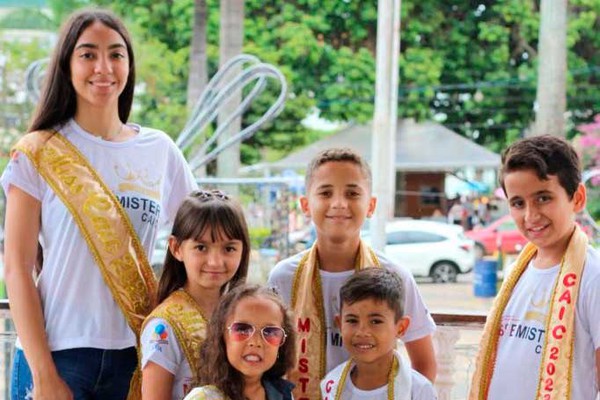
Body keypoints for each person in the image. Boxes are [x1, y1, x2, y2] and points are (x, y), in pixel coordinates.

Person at [1, 9, 197, 400]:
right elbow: (17, 267)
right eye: (88, 54)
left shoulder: (159, 150)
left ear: (129, 65)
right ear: (67, 66)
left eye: (116, 54)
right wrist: (43, 375)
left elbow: (200, 240)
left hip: (138, 350)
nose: (103, 67)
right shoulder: (38, 152)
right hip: (57, 352)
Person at [267, 148, 436, 399]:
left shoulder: (395, 276)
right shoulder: (284, 277)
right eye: (325, 193)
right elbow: (269, 360)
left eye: (352, 193)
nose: (338, 203)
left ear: (371, 205)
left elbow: (424, 365)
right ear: (305, 205)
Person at [469, 135, 600, 400]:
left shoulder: (592, 276)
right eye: (518, 203)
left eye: (543, 198)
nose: (530, 215)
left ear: (577, 198)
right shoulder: (518, 272)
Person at [140, 190, 251, 400]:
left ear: (243, 250)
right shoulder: (164, 325)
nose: (215, 262)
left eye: (229, 248)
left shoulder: (246, 314)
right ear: (176, 248)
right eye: (201, 247)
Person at [321, 268, 437, 400]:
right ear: (340, 324)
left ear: (400, 328)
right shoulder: (330, 385)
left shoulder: (418, 390)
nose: (362, 332)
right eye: (352, 320)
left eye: (375, 321)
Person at [184, 284, 296, 400]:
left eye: (270, 332)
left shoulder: (283, 394)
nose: (256, 341)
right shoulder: (204, 398)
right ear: (221, 337)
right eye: (242, 329)